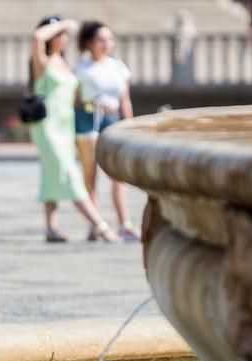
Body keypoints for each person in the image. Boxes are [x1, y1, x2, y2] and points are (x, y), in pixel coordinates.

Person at [29, 16, 119, 243]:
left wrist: (98, 104)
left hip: (66, 126)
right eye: (58, 34)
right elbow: (36, 37)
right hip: (47, 127)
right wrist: (62, 24)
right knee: (70, 174)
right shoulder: (42, 61)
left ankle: (51, 228)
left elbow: (76, 98)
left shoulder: (66, 64)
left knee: (51, 174)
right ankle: (100, 225)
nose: (62, 38)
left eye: (64, 35)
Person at [74, 21, 141, 242]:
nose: (106, 44)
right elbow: (74, 98)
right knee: (90, 174)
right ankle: (97, 224)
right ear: (89, 43)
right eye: (101, 39)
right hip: (88, 117)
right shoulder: (81, 68)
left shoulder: (118, 66)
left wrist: (129, 125)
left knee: (117, 174)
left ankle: (125, 223)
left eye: (109, 39)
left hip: (111, 118)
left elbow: (125, 99)